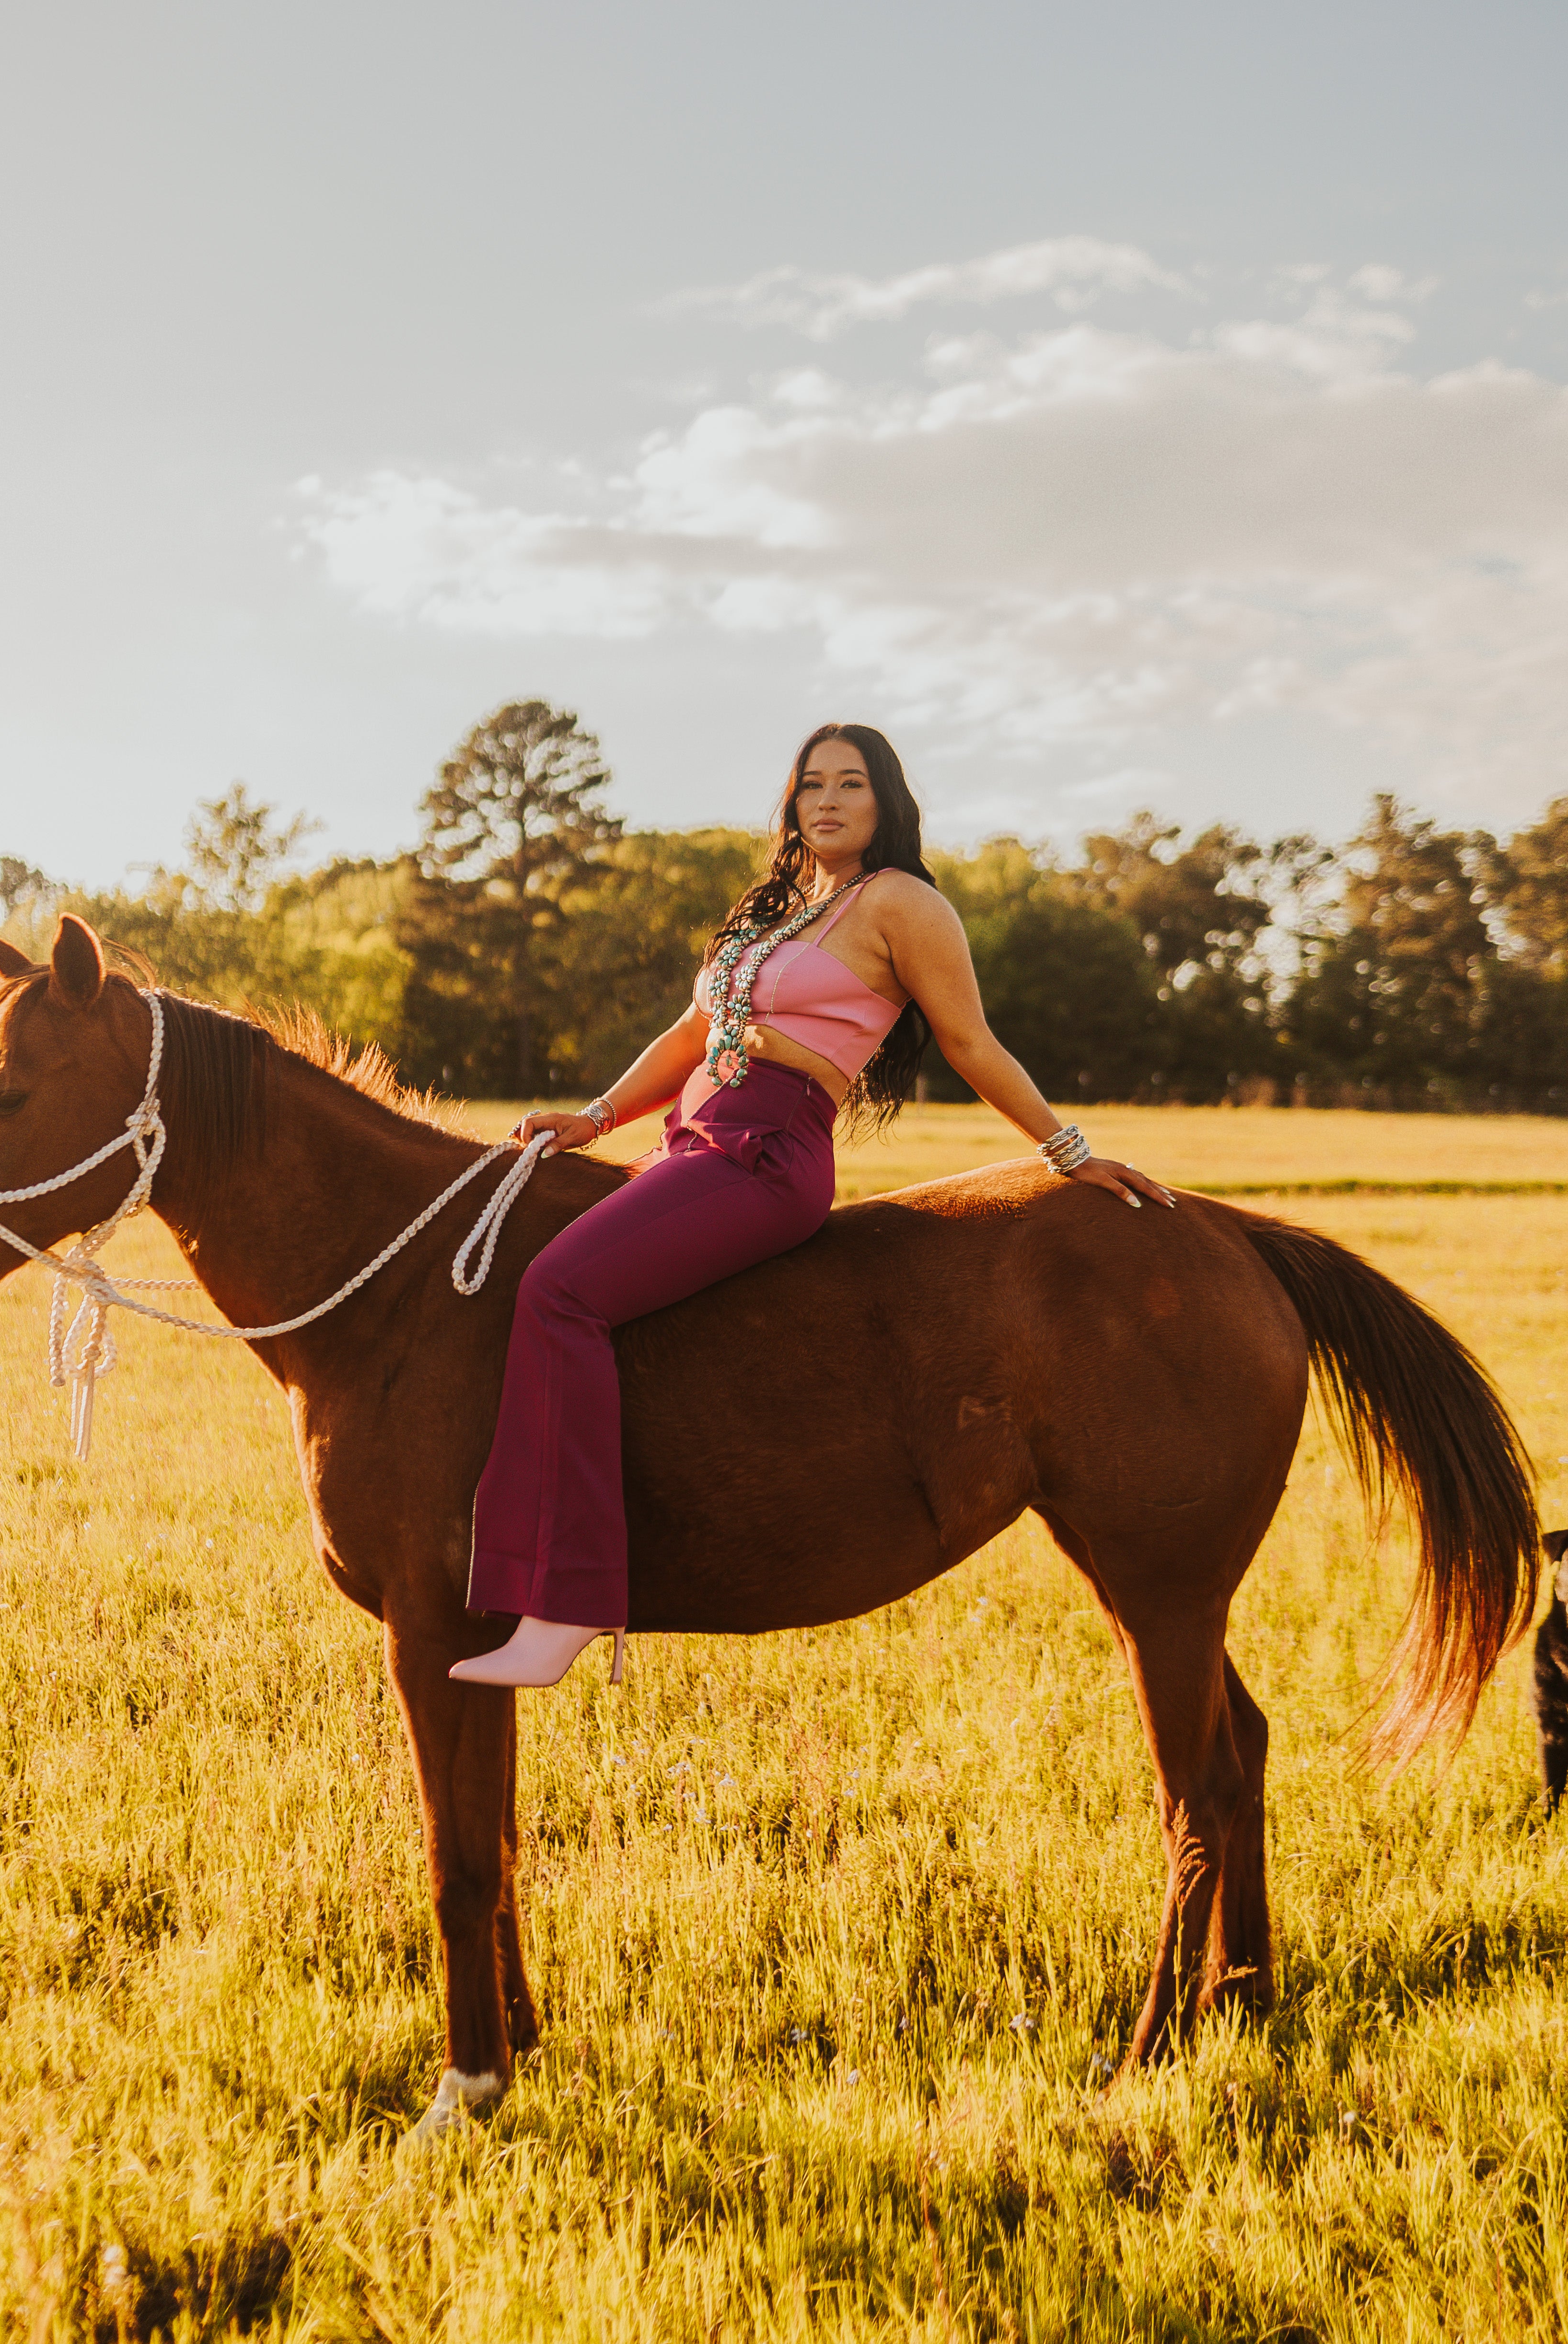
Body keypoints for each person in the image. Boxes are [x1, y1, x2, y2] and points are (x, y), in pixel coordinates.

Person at [449, 723, 1174, 1691]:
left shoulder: (905, 906)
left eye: (850, 785)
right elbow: (688, 1034)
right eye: (810, 786)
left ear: (886, 803)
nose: (826, 802)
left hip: (765, 1156)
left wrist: (1069, 1152)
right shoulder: (775, 911)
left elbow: (972, 1044)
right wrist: (596, 1116)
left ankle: (572, 1600)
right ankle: (519, 1578)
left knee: (559, 1294)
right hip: (688, 1143)